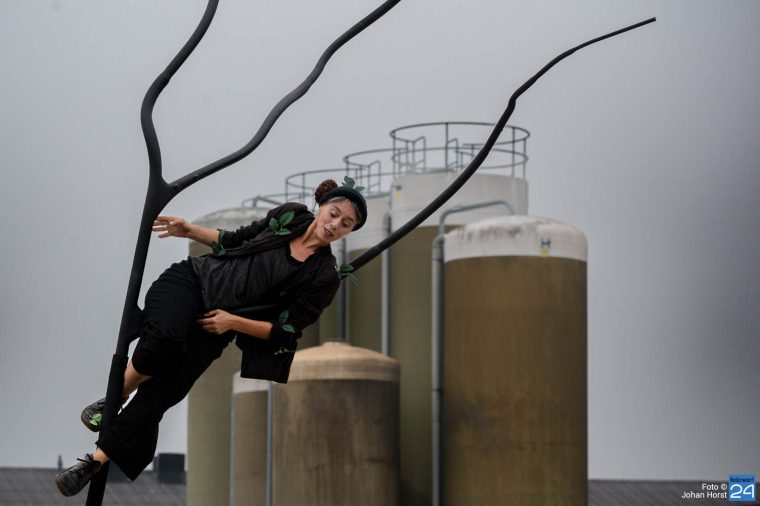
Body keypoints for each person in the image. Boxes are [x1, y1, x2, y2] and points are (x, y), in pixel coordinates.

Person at [54, 179, 367, 497]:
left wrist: (232, 322)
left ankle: (92, 463)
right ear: (321, 207)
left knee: (164, 393)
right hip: (191, 282)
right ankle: (116, 396)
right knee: (164, 340)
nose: (335, 225)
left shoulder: (324, 275)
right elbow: (233, 239)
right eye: (334, 214)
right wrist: (189, 230)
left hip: (219, 324)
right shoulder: (291, 216)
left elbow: (286, 330)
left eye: (346, 224)